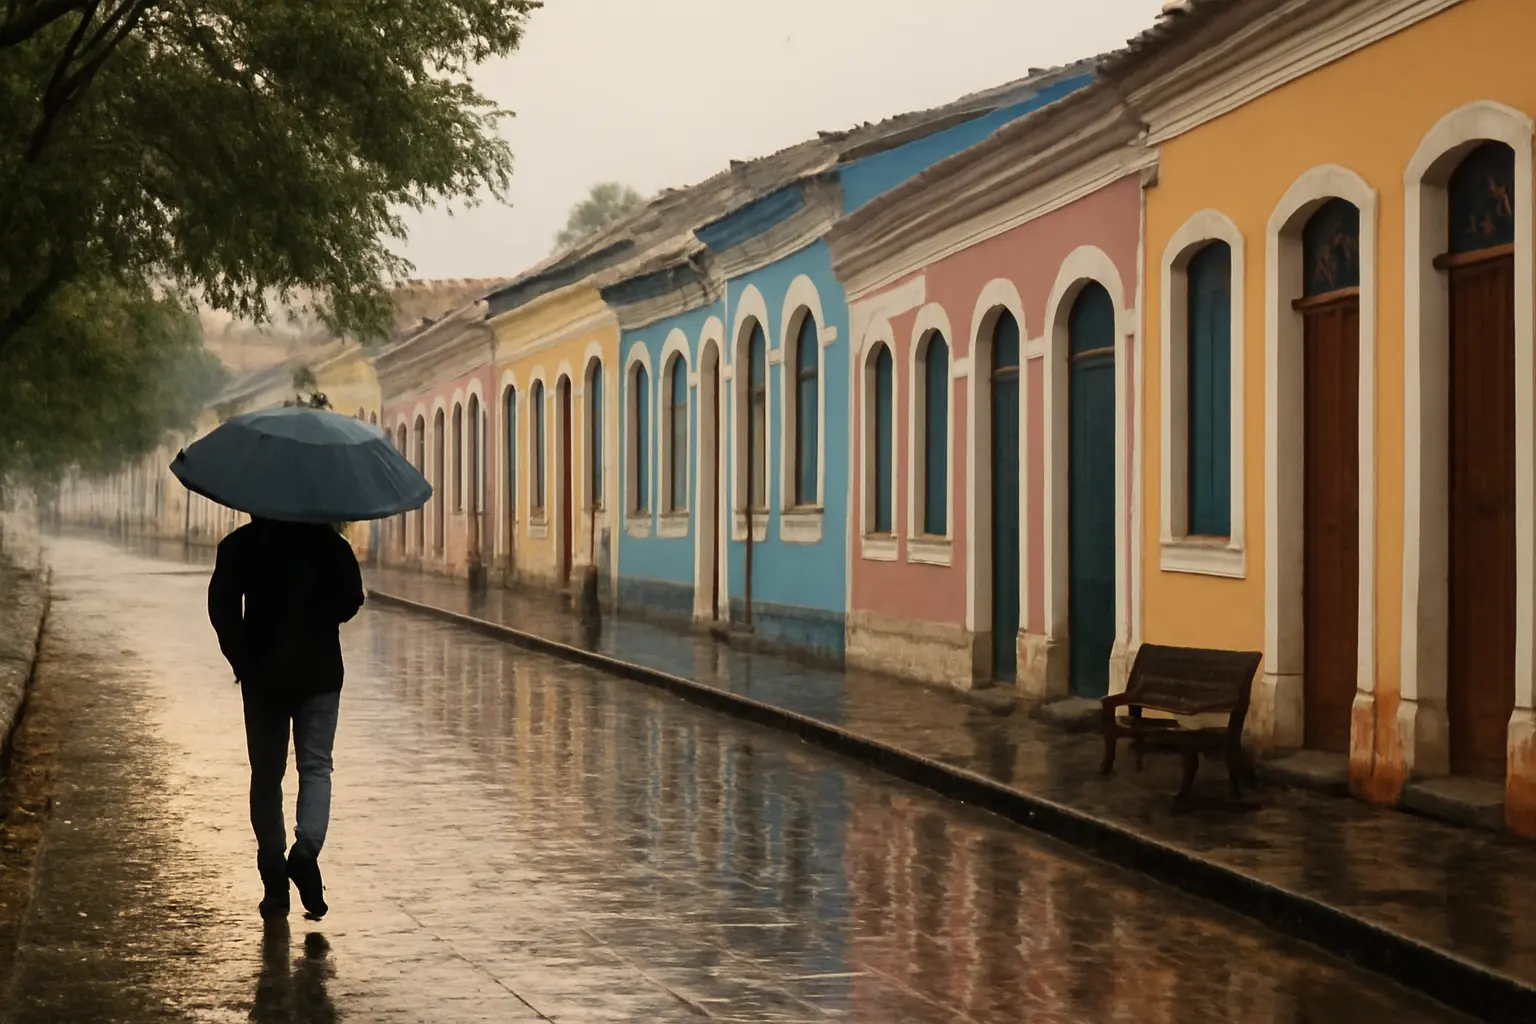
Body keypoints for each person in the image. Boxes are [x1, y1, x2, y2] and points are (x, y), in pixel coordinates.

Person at [208, 516, 365, 920]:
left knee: (266, 775)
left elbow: (221, 607)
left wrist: (242, 658)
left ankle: (274, 883)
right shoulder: (328, 543)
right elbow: (352, 597)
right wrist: (317, 616)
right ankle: (305, 852)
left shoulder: (240, 545)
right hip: (321, 673)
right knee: (316, 767)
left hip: (263, 679)